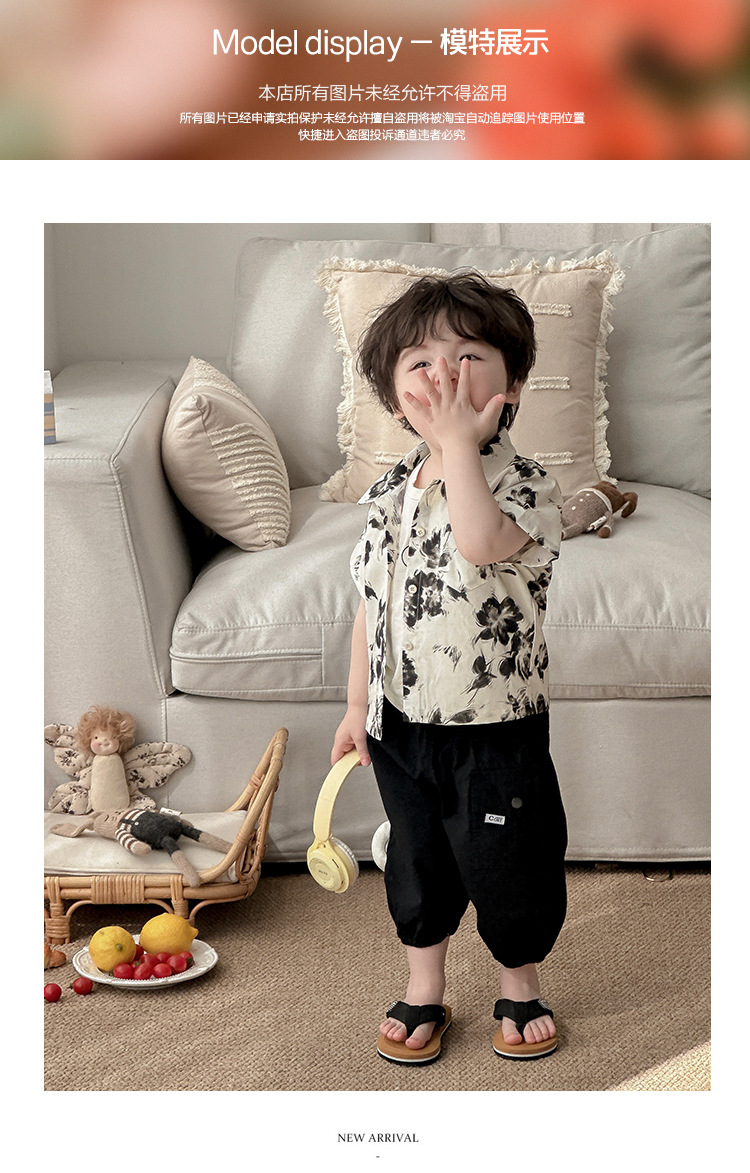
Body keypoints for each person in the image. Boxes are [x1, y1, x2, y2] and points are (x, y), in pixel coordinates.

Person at [331, 271, 568, 1065]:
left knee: (510, 864)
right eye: (420, 363)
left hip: (495, 728)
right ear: (397, 400)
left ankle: (520, 982)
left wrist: (461, 445)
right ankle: (424, 982)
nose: (445, 375)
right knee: (416, 859)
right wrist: (357, 704)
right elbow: (372, 600)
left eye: (468, 356)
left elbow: (479, 539)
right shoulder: (390, 490)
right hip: (402, 723)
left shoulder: (527, 484)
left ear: (514, 384)